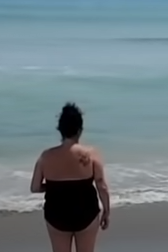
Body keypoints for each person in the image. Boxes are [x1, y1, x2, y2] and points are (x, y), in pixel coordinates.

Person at [31, 102, 111, 252]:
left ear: (60, 130)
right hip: (86, 213)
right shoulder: (91, 154)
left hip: (57, 215)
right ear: (79, 130)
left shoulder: (46, 156)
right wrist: (107, 210)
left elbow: (35, 187)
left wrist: (56, 186)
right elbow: (102, 185)